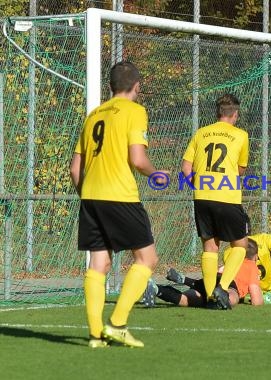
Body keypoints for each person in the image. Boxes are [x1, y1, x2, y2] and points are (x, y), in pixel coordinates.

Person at [70, 61, 166, 348]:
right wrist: (156, 173)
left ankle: (95, 335)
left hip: (91, 197)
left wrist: (87, 196)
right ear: (137, 86)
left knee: (99, 263)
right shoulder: (135, 111)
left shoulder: (93, 115)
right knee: (147, 259)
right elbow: (137, 159)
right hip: (119, 196)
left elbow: (75, 168)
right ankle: (118, 324)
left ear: (111, 86)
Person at [181, 94, 249, 310]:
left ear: (217, 113)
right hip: (227, 196)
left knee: (210, 247)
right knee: (240, 244)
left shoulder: (200, 133)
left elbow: (185, 168)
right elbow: (241, 169)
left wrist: (198, 185)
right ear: (235, 114)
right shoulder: (241, 135)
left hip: (202, 197)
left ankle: (211, 296)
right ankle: (223, 287)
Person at [164, 233, 271, 299]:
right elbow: (256, 301)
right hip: (267, 288)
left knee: (198, 297)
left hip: (250, 286)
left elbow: (222, 272)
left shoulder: (231, 249)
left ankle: (164, 289)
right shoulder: (263, 239)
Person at [144, 239, 263, 307]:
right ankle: (222, 299)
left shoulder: (233, 262)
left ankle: (157, 289)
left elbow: (220, 271)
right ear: (255, 256)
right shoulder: (252, 266)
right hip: (227, 284)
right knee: (233, 296)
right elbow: (256, 299)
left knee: (188, 299)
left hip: (210, 280)